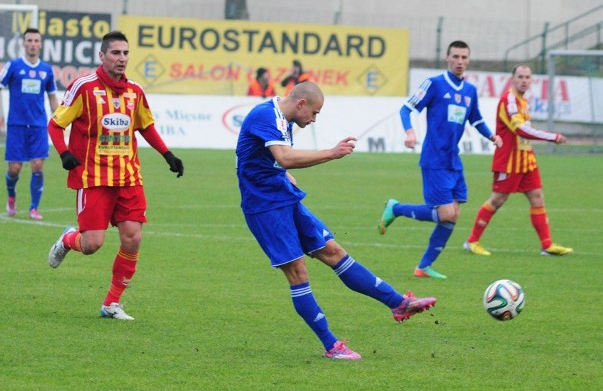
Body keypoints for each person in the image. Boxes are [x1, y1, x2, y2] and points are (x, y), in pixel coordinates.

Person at [235, 81, 436, 360]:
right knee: (298, 273)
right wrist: (331, 152)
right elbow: (285, 157)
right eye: (315, 113)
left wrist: (282, 176)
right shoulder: (265, 115)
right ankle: (332, 346)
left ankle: (398, 303)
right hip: (264, 207)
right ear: (301, 104)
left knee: (334, 251)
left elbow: (269, 161)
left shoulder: (283, 119)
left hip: (284, 197)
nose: (315, 119)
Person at [46, 30, 184, 320]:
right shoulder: (83, 87)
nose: (122, 59)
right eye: (115, 53)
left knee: (132, 238)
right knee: (92, 244)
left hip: (128, 176)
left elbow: (145, 126)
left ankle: (112, 303)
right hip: (93, 177)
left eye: (125, 53)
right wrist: (63, 153)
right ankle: (69, 240)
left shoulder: (135, 91)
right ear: (102, 56)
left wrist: (167, 154)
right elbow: (56, 125)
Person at [378, 40, 503, 280]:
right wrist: (410, 132)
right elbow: (407, 109)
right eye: (455, 56)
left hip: (453, 161)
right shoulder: (434, 84)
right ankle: (396, 208)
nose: (460, 61)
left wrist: (491, 135)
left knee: (454, 213)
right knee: (445, 214)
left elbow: (475, 119)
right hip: (434, 158)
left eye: (464, 57)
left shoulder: (470, 91)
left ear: (468, 60)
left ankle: (424, 266)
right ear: (447, 58)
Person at [464, 64, 573, 256]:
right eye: (520, 77)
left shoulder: (523, 101)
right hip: (508, 161)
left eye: (527, 77)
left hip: (526, 159)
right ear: (512, 79)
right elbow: (520, 129)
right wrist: (552, 137)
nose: (524, 80)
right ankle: (472, 241)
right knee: (497, 199)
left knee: (537, 197)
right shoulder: (509, 101)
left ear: (532, 80)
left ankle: (546, 245)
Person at [0, 28, 59, 220]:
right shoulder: (13, 66)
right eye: (29, 40)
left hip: (38, 126)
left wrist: (61, 119)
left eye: (36, 40)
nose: (33, 44)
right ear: (23, 43)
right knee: (15, 169)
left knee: (38, 165)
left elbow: (52, 97)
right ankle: (11, 196)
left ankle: (34, 208)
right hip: (16, 125)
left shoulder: (46, 70)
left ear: (41, 44)